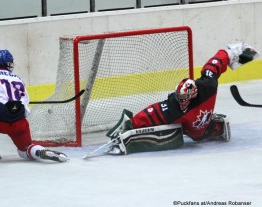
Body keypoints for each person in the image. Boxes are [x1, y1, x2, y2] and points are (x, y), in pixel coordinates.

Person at [105, 43, 259, 155]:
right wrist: (131, 125)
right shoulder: (174, 106)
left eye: (184, 97)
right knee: (180, 134)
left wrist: (232, 52)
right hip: (189, 129)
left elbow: (214, 64)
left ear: (193, 95)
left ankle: (213, 125)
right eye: (179, 96)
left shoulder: (208, 86)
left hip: (201, 127)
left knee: (204, 134)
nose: (181, 99)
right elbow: (152, 112)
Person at [0, 50, 67, 162]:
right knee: (24, 152)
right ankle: (39, 151)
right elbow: (26, 110)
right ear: (8, 63)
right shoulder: (18, 79)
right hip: (20, 125)